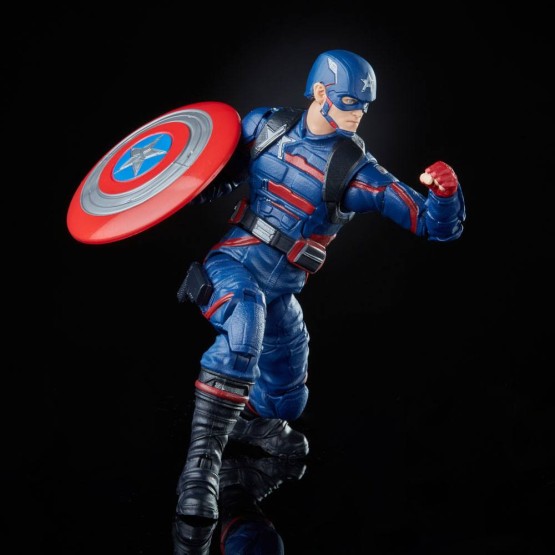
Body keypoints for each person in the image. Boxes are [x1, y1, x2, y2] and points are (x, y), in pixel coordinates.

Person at [174, 49, 466, 534]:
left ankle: (247, 425)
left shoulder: (354, 170)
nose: (358, 113)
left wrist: (445, 193)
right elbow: (211, 178)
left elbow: (432, 225)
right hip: (231, 265)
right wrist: (164, 185)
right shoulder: (264, 126)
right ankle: (199, 470)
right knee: (245, 321)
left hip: (280, 288)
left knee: (286, 399)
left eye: (365, 106)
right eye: (349, 101)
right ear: (320, 92)